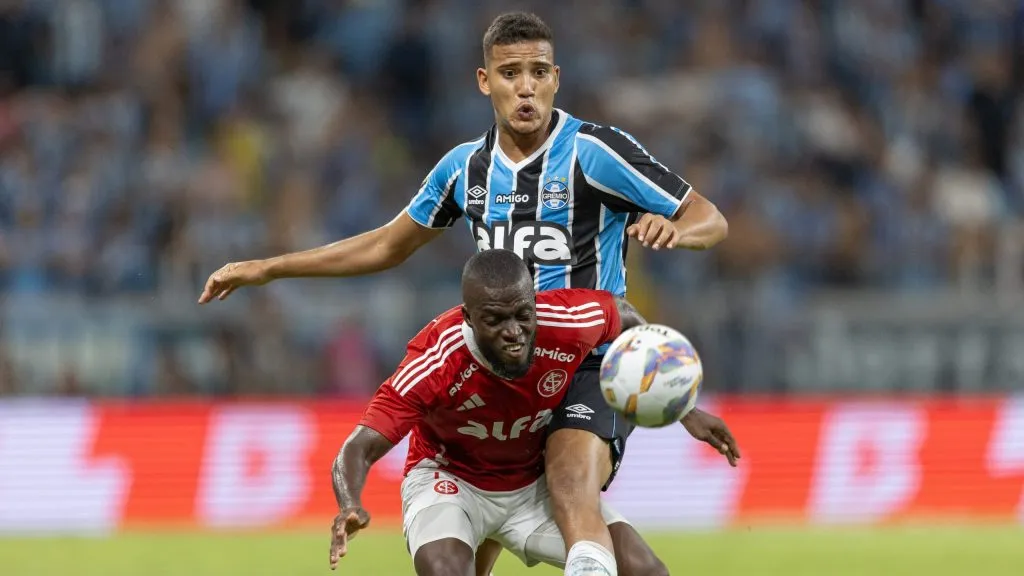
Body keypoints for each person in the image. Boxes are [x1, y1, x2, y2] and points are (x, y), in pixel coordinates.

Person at [199, 12, 738, 576]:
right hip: (502, 368)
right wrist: (269, 268)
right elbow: (386, 245)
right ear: (485, 81)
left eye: (538, 73)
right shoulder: (465, 169)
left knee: (571, 482)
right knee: (474, 540)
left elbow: (709, 217)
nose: (525, 88)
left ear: (556, 78)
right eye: (510, 73)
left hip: (587, 362)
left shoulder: (596, 153)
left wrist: (677, 231)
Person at [329, 249, 690, 576]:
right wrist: (349, 504)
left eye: (522, 315)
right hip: (453, 483)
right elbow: (359, 447)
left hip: (533, 486)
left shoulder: (566, 320)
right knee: (444, 569)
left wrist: (682, 407)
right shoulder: (435, 361)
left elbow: (624, 315)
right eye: (496, 320)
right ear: (468, 317)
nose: (514, 332)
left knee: (645, 571)